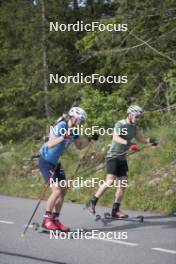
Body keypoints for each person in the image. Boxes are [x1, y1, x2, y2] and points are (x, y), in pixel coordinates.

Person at [86, 105, 158, 219]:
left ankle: (115, 210)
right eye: (137, 116)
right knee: (110, 181)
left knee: (123, 183)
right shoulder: (121, 124)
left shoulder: (133, 128)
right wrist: (129, 144)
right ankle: (92, 203)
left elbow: (141, 139)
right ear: (130, 114)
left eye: (140, 117)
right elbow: (116, 137)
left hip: (122, 157)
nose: (138, 119)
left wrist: (151, 141)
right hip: (113, 155)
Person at [39, 107, 95, 231]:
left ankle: (55, 219)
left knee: (63, 190)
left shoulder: (74, 130)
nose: (81, 123)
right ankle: (46, 220)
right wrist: (64, 137)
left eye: (83, 121)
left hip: (56, 163)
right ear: (73, 118)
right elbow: (50, 143)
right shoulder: (61, 126)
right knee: (57, 190)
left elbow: (79, 146)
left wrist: (90, 140)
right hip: (46, 161)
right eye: (81, 120)